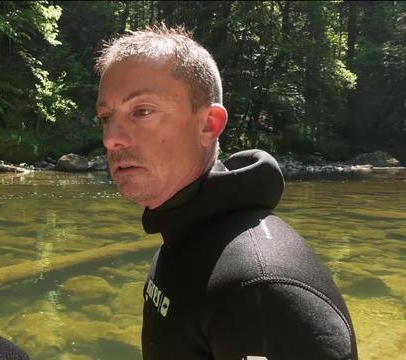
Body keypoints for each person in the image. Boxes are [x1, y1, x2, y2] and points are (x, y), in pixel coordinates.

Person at [95, 26, 357, 360]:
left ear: (209, 125)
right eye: (106, 116)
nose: (110, 138)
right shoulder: (187, 233)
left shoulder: (263, 287)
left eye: (142, 111)